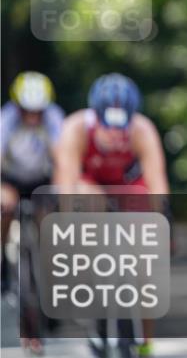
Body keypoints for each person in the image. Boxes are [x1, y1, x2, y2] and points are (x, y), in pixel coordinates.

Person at [54, 73, 169, 356]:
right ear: (96, 116)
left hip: (129, 188)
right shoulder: (75, 129)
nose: (116, 135)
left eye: (122, 128)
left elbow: (157, 183)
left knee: (147, 266)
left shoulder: (143, 131)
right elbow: (65, 184)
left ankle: (146, 342)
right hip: (91, 187)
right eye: (109, 127)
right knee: (84, 198)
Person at [1, 71, 64, 352]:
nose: (32, 116)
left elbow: (64, 158)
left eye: (37, 111)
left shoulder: (54, 118)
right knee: (4, 209)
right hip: (10, 180)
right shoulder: (6, 120)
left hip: (42, 180)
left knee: (50, 224)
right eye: (27, 111)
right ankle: (3, 257)